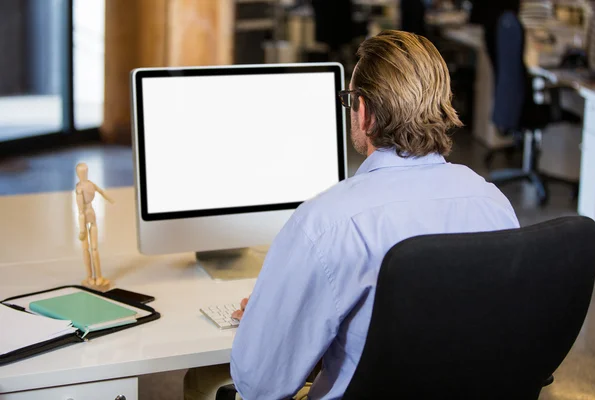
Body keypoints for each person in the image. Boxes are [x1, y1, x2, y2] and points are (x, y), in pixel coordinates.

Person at [184, 30, 519, 400]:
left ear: (365, 112)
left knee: (205, 383)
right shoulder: (493, 204)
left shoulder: (326, 224)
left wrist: (271, 323)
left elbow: (260, 383)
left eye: (349, 99)